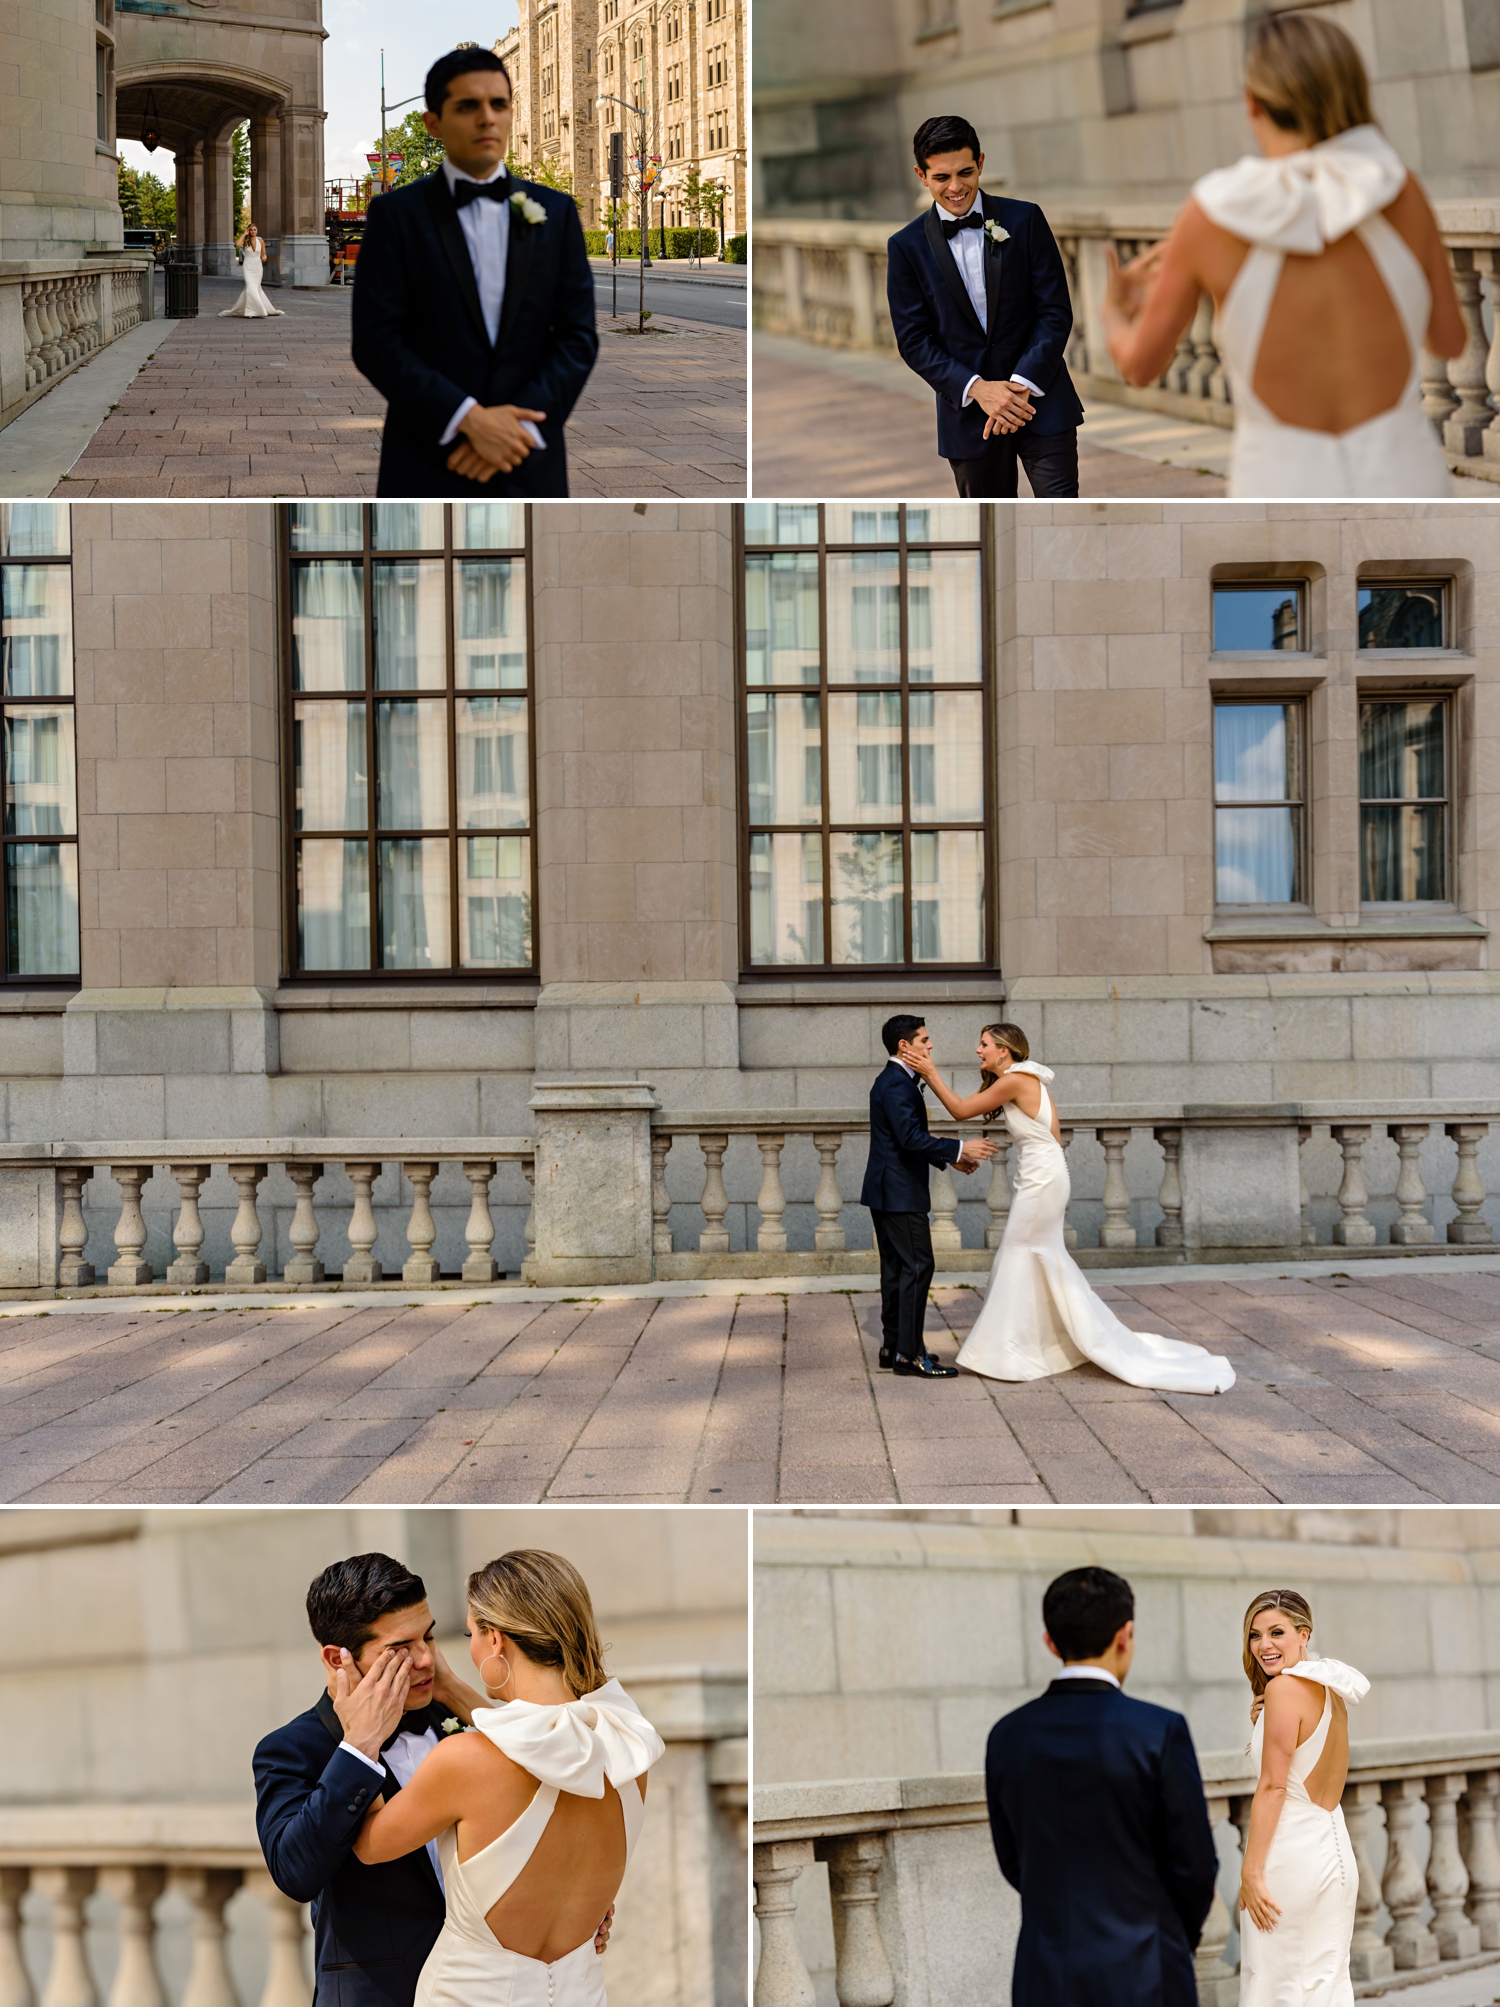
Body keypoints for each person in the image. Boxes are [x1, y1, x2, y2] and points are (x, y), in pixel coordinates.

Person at [1101, 14, 1464, 499]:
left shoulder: (1211, 215)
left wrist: (1114, 315)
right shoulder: (1399, 190)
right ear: (1354, 91)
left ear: (1253, 103)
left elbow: (1140, 367)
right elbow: (1451, 340)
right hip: (1407, 476)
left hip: (1277, 483)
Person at [352, 1549, 663, 2007]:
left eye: (470, 1633)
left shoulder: (462, 1761)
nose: (471, 1647)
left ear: (495, 1640)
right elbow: (537, 1742)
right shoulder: (626, 1751)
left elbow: (369, 1845)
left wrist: (362, 1731)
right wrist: (453, 1688)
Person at [907, 1022, 1235, 1393]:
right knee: (1040, 1258)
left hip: (1042, 1181)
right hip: (1042, 1177)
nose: (978, 1051)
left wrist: (929, 1072)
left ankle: (1005, 1353)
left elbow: (961, 1111)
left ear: (1004, 1050)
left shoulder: (1016, 1078)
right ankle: (1042, 1345)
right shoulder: (1020, 1078)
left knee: (1018, 1254)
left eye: (983, 1044)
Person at [351, 48, 598, 498]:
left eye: (498, 104)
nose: (487, 118)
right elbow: (376, 341)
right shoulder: (394, 215)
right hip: (428, 456)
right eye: (468, 106)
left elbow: (577, 336)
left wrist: (513, 429)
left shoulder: (557, 212)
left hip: (528, 454)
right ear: (434, 123)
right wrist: (467, 419)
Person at [986, 1566, 1220, 2007]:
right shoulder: (1159, 1730)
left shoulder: (1007, 1735)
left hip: (1044, 1973)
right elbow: (1195, 1864)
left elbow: (1013, 1860)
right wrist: (1169, 1936)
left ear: (1051, 1643)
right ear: (1124, 1635)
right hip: (1146, 1970)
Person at [885, 113, 1084, 498]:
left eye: (965, 172)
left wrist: (1020, 385)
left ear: (981, 163)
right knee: (992, 520)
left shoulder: (1025, 219)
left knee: (1062, 509)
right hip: (970, 419)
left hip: (1041, 400)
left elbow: (1054, 310)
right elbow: (913, 341)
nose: (956, 187)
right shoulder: (905, 246)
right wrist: (979, 390)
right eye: (942, 177)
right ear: (921, 175)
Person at [1238, 1590, 1368, 2007]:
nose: (1264, 1645)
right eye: (1255, 1635)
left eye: (1277, 1632)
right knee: (1325, 1986)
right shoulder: (1329, 1690)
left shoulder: (1284, 1691)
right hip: (1333, 1849)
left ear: (1303, 1634)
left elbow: (1274, 1786)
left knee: (1276, 1986)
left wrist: (1251, 1871)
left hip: (1290, 1855)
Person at [861, 1013, 997, 1380]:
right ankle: (910, 1355)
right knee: (919, 1267)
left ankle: (893, 1347)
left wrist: (950, 1160)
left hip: (887, 1189)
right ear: (904, 1046)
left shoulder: (896, 1081)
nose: (930, 1044)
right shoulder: (896, 1084)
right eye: (924, 1040)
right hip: (899, 1192)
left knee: (896, 1269)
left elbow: (902, 1140)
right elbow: (909, 1139)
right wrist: (959, 1147)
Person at [220, 221, 284, 319]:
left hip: (257, 267)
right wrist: (244, 234)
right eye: (251, 230)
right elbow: (237, 244)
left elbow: (264, 255)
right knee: (250, 287)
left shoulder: (261, 241)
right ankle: (253, 311)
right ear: (248, 231)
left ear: (257, 231)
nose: (253, 232)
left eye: (255, 230)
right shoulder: (245, 240)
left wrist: (264, 258)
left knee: (255, 288)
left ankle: (251, 310)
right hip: (248, 266)